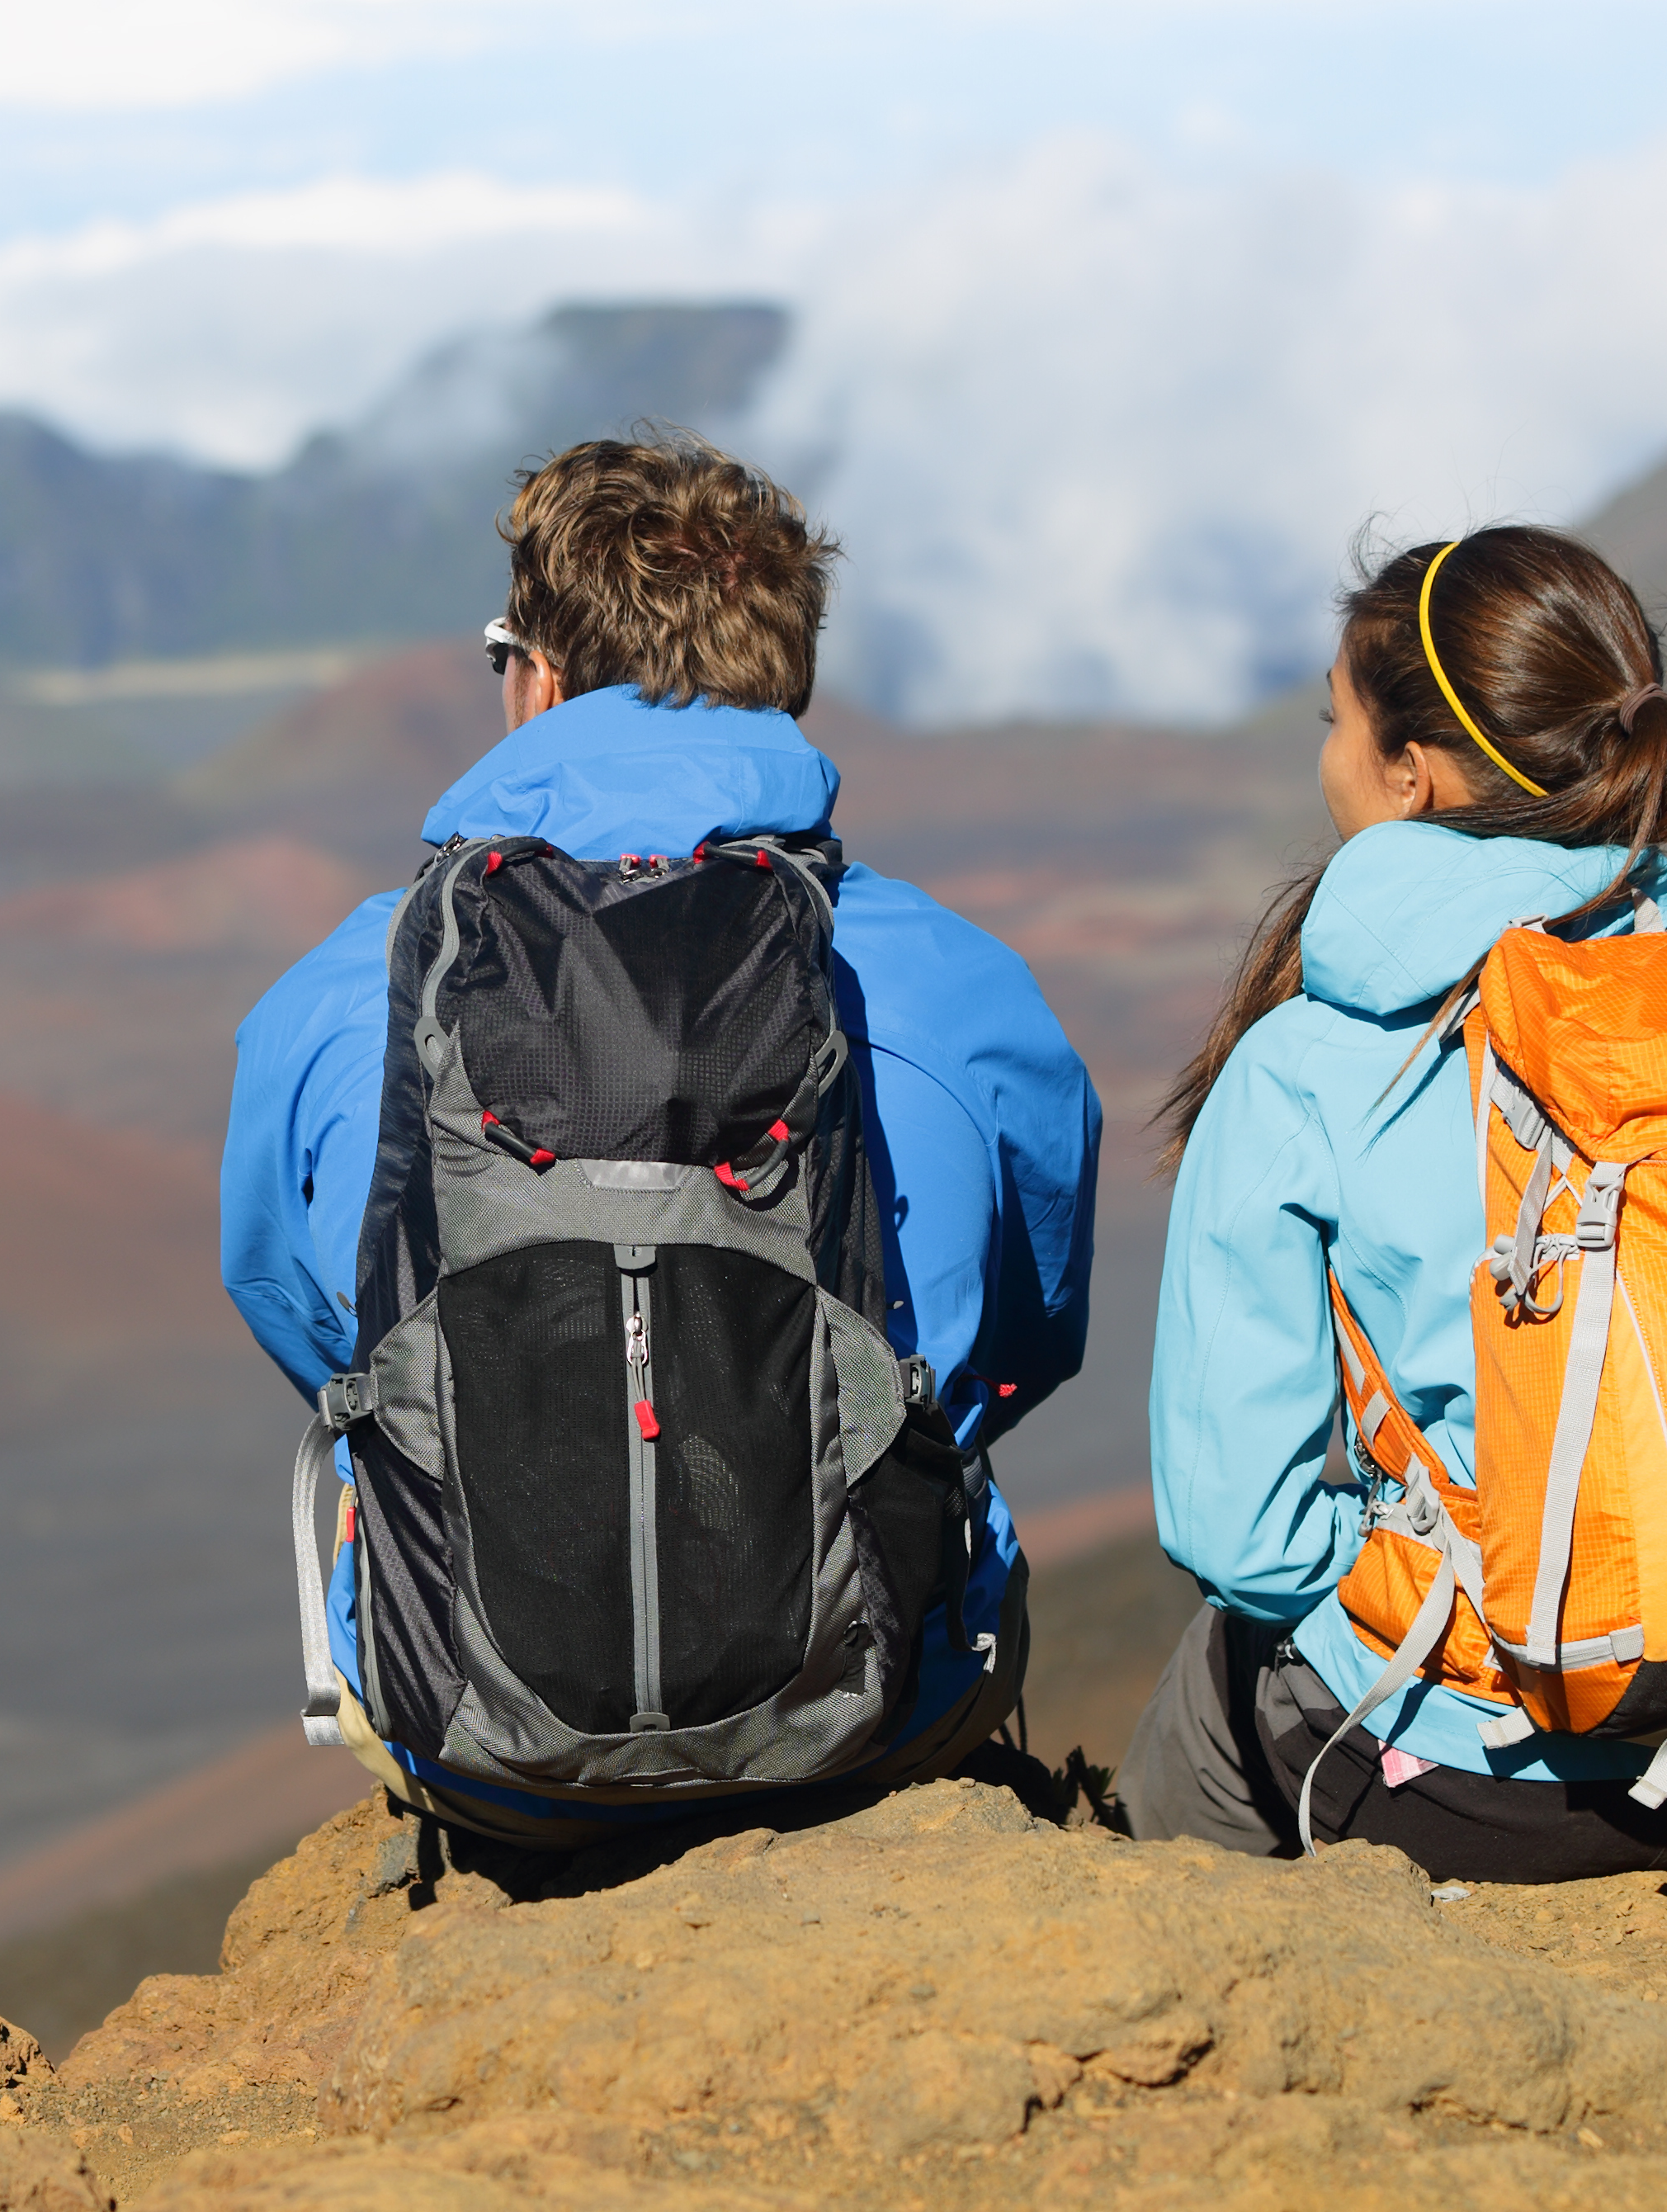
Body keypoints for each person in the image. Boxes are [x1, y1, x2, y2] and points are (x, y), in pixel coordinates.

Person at [219, 433, 1102, 1844]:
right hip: (869, 1732)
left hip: (478, 1742)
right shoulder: (965, 987)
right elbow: (1024, 1340)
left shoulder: (348, 991)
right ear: (785, 685)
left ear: (544, 675)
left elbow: (311, 1326)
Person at [1126, 523, 1667, 1874]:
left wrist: (1446, 1576)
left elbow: (1242, 1530)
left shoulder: (1310, 1069)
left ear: (1409, 773)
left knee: (1211, 1689)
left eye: (1333, 723)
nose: (1326, 757)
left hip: (1493, 1781)